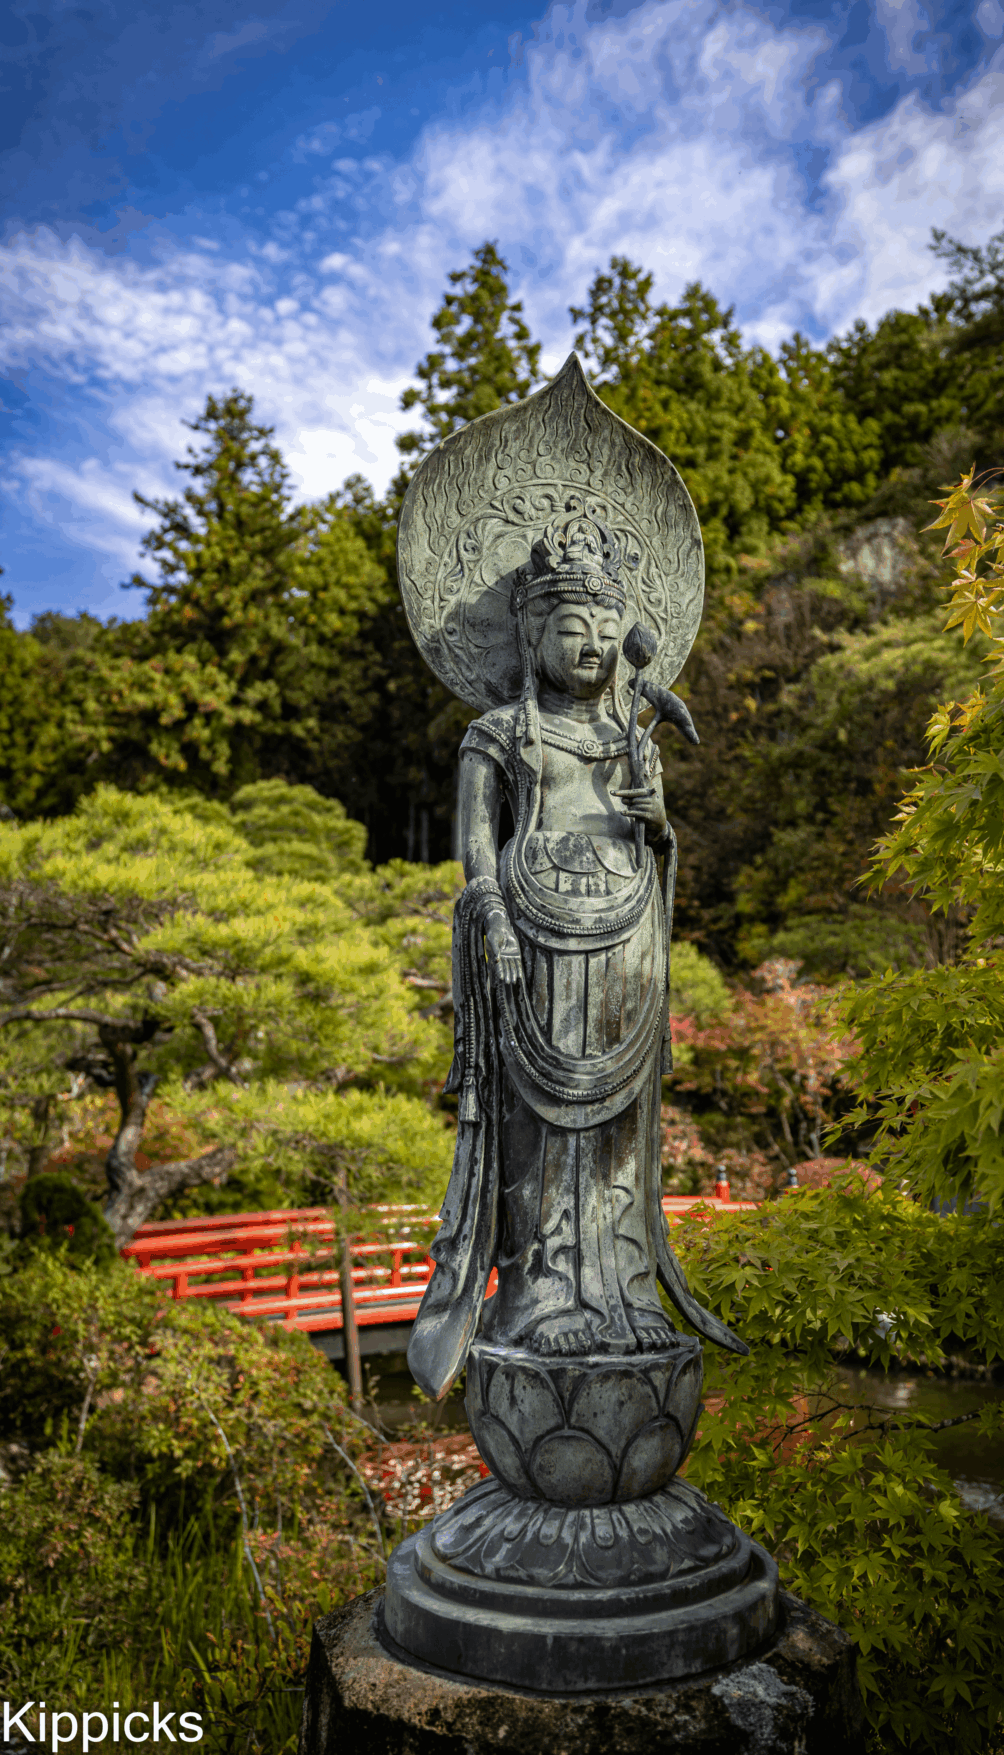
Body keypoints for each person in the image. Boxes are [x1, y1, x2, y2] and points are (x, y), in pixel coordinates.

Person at [407, 502, 744, 1399]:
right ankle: (539, 1294)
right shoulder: (500, 734)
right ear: (530, 632)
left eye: (605, 628)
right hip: (533, 939)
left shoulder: (633, 736)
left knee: (619, 1134)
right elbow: (477, 847)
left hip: (627, 937)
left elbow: (658, 844)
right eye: (570, 627)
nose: (592, 645)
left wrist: (659, 825)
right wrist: (489, 918)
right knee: (538, 1130)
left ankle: (626, 1290)